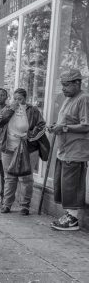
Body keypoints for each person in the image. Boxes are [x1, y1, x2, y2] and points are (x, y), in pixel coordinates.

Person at [0, 88, 46, 216]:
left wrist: (29, 135)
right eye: (15, 98)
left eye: (20, 99)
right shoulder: (7, 109)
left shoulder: (32, 110)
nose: (17, 101)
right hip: (8, 146)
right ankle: (7, 204)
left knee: (26, 178)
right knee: (9, 177)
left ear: (25, 99)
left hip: (28, 148)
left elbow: (41, 125)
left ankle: (25, 206)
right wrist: (10, 109)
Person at [49, 69, 89, 231]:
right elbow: (66, 120)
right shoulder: (69, 99)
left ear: (77, 83)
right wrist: (56, 127)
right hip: (65, 149)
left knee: (72, 185)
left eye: (66, 85)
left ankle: (73, 219)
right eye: (62, 85)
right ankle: (68, 214)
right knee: (65, 184)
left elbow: (86, 125)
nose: (63, 89)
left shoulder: (84, 99)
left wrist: (63, 128)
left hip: (76, 150)